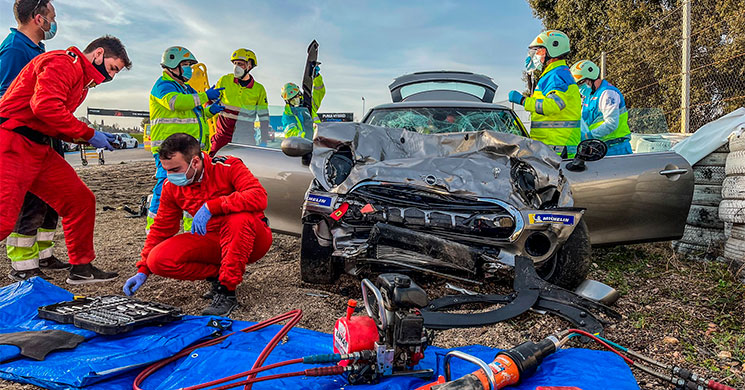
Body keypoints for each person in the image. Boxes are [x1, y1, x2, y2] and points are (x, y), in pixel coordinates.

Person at [0, 35, 131, 284]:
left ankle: (81, 268)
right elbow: (45, 107)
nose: (111, 77)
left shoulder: (79, 79)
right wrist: (90, 134)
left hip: (38, 146)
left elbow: (50, 118)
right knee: (3, 219)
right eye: (113, 68)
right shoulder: (64, 62)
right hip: (13, 142)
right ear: (99, 54)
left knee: (79, 200)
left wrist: (90, 137)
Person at [122, 133, 272, 316]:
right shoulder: (171, 187)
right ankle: (219, 275)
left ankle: (226, 291)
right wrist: (144, 269)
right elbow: (161, 228)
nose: (170, 176)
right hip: (214, 240)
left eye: (176, 169)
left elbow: (258, 196)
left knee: (238, 219)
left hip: (252, 239)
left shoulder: (228, 166)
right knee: (158, 260)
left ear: (195, 162)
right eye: (167, 170)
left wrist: (213, 206)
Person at [0, 0, 70, 280]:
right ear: (38, 18)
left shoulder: (35, 50)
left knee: (51, 200)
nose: (55, 22)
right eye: (52, 16)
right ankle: (23, 265)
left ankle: (44, 254)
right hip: (24, 140)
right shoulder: (15, 50)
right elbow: (7, 100)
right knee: (29, 200)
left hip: (46, 135)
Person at [147, 46, 224, 232]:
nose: (190, 68)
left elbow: (193, 113)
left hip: (189, 150)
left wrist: (208, 111)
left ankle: (193, 230)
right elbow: (176, 104)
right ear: (173, 65)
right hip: (170, 150)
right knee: (165, 187)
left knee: (194, 189)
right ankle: (155, 229)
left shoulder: (186, 88)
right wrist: (205, 96)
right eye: (186, 64)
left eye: (190, 64)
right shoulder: (163, 86)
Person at [507, 30, 582, 158]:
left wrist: (522, 101)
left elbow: (553, 105)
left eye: (539, 50)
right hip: (552, 147)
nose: (536, 55)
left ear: (553, 50)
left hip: (556, 149)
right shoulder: (555, 74)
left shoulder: (556, 76)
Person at [210, 48, 269, 154]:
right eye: (235, 63)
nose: (236, 67)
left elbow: (263, 117)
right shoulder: (225, 80)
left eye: (240, 64)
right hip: (222, 137)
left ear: (249, 66)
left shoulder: (259, 89)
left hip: (245, 139)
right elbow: (210, 102)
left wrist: (264, 139)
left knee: (246, 167)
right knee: (213, 164)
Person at [570, 60, 632, 156]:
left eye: (581, 83)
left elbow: (611, 123)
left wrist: (588, 136)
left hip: (616, 148)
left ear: (590, 78)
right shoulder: (589, 96)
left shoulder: (607, 93)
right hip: (600, 147)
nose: (579, 88)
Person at [282, 64, 325, 138]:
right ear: (288, 102)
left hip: (319, 141)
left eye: (297, 98)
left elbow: (319, 92)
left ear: (300, 95)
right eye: (293, 101)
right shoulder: (288, 115)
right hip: (303, 145)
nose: (296, 102)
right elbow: (290, 132)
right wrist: (304, 136)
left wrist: (317, 77)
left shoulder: (308, 105)